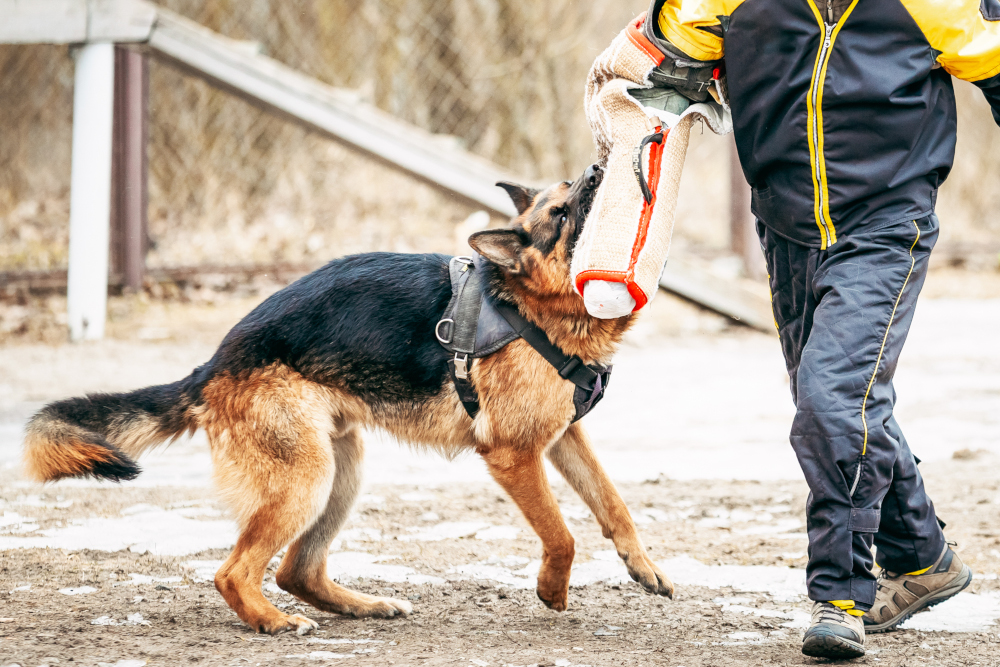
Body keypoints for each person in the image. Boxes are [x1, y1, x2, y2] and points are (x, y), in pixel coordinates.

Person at [583, 0, 1000, 659]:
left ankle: (840, 596)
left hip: (887, 228)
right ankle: (924, 558)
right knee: (834, 398)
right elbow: (654, 56)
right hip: (784, 226)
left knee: (832, 397)